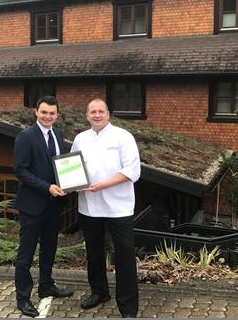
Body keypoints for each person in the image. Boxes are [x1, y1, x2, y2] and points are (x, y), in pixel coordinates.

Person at [71, 98, 141, 318]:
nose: (97, 115)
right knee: (93, 252)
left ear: (108, 114)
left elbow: (133, 171)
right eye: (93, 111)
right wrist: (71, 184)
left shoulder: (123, 137)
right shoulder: (80, 138)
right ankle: (99, 292)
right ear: (87, 115)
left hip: (118, 207)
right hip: (89, 206)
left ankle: (128, 307)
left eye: (101, 111)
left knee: (124, 255)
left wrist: (104, 184)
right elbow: (71, 166)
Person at [13, 95, 74, 317]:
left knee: (49, 248)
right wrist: (46, 186)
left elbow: (60, 165)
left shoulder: (57, 134)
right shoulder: (25, 136)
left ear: (57, 114)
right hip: (32, 205)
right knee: (26, 254)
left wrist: (69, 182)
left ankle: (46, 285)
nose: (48, 116)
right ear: (36, 112)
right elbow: (20, 170)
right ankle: (22, 298)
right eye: (44, 112)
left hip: (53, 204)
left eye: (52, 113)